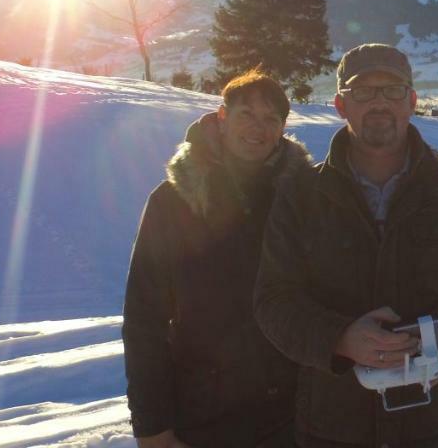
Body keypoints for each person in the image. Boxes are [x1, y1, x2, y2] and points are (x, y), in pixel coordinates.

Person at [255, 43, 438, 448]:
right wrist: (339, 339)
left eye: (392, 90)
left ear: (411, 101)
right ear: (341, 105)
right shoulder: (300, 194)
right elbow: (273, 301)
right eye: (363, 92)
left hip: (432, 424)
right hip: (331, 426)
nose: (379, 103)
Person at [123, 69, 310, 448]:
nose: (258, 128)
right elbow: (145, 321)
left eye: (270, 119)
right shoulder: (174, 202)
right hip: (204, 416)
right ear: (222, 117)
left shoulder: (305, 198)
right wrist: (152, 426)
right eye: (246, 114)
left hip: (293, 415)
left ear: (282, 129)